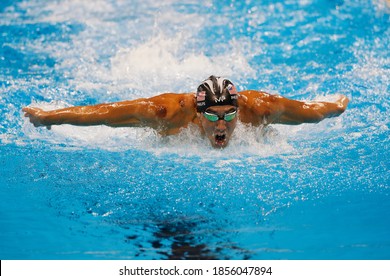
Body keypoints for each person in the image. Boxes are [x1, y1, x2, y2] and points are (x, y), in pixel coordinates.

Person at [23, 75, 349, 148]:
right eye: (211, 116)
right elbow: (105, 113)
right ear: (197, 111)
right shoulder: (164, 113)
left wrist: (336, 105)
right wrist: (50, 117)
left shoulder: (258, 109)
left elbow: (312, 112)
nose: (221, 124)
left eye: (227, 115)